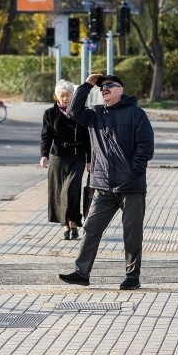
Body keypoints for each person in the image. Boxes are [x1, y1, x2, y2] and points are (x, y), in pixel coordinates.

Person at [58, 73, 154, 290]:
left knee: (132, 232)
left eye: (109, 85)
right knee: (91, 228)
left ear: (121, 90)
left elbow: (146, 145)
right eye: (101, 87)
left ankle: (132, 276)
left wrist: (133, 171)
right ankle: (82, 272)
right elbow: (72, 111)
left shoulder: (136, 114)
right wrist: (87, 85)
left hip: (131, 186)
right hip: (103, 185)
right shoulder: (95, 114)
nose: (104, 89)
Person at [40, 80, 91, 240]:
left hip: (77, 156)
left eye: (68, 95)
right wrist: (44, 155)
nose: (65, 98)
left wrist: (90, 160)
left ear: (72, 96)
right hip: (58, 158)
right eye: (62, 95)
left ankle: (74, 222)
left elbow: (88, 138)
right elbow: (46, 136)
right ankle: (66, 226)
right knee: (59, 193)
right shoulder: (50, 114)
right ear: (57, 96)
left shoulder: (81, 112)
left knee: (72, 191)